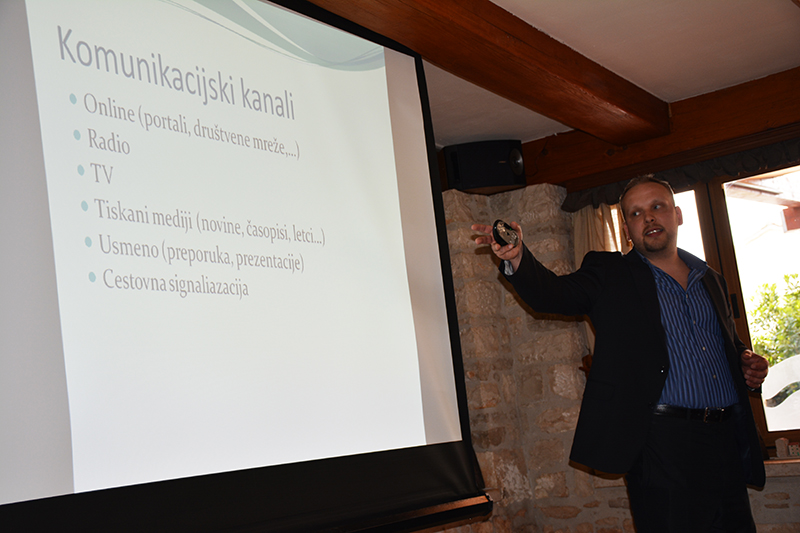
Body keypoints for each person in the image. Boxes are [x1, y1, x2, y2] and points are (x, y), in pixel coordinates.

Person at [472, 175, 768, 533]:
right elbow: (553, 293)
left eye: (657, 207)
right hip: (662, 442)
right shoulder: (610, 273)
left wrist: (745, 361)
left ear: (677, 215)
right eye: (636, 213)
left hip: (725, 439)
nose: (649, 217)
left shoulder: (711, 279)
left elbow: (726, 345)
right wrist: (518, 256)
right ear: (627, 229)